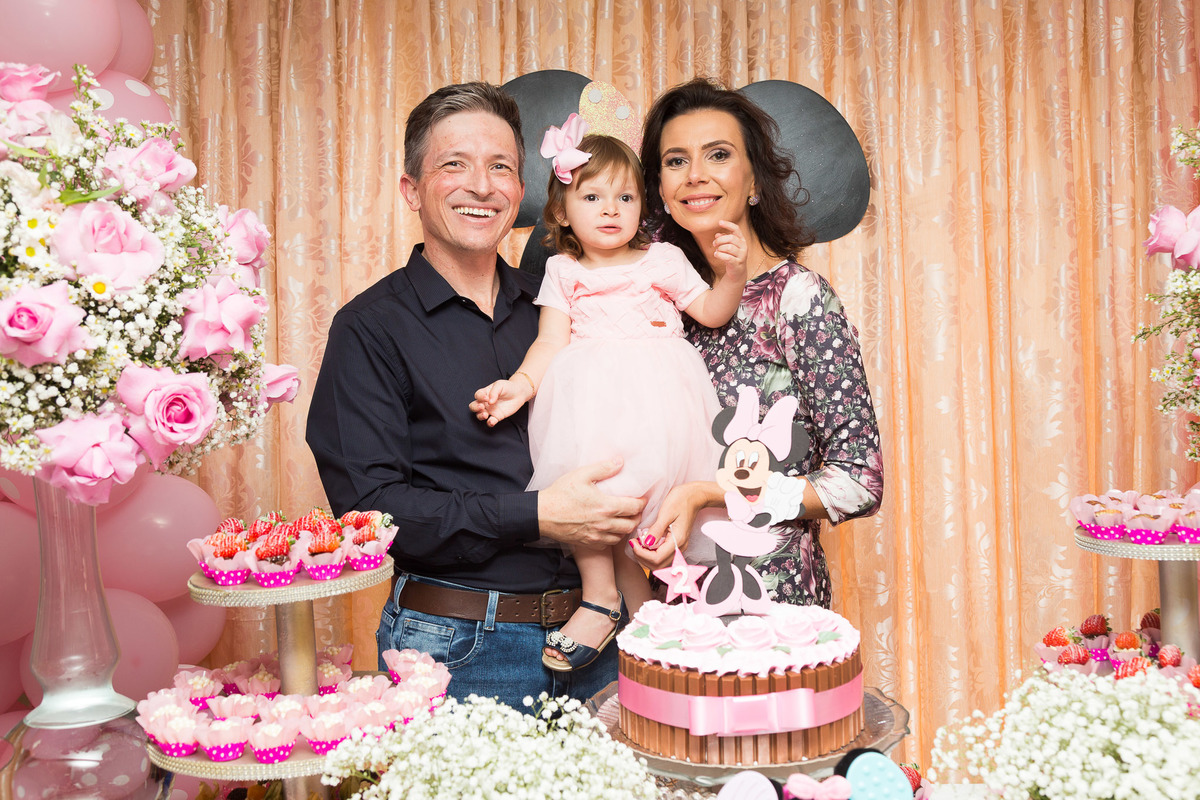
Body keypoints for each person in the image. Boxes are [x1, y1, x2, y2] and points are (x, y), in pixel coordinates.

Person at [305, 83, 645, 710]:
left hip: (604, 634)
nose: (481, 186)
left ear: (521, 193)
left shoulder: (563, 308)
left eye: (501, 168)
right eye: (454, 164)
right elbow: (369, 512)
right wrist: (535, 514)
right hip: (458, 644)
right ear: (412, 189)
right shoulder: (370, 327)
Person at [469, 120, 748, 671]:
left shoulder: (663, 260)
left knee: (647, 514)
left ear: (642, 206)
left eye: (624, 196)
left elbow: (713, 312)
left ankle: (646, 610)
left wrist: (732, 272)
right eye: (592, 196)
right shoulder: (562, 269)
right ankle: (602, 599)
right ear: (561, 211)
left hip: (661, 406)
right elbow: (550, 343)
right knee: (592, 502)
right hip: (589, 408)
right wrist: (519, 387)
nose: (610, 209)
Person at [629, 78, 883, 608]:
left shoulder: (797, 299)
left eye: (718, 155)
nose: (695, 175)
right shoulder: (657, 304)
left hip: (772, 615)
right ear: (658, 187)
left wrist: (708, 494)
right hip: (662, 609)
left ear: (754, 181)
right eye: (675, 161)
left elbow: (858, 481)